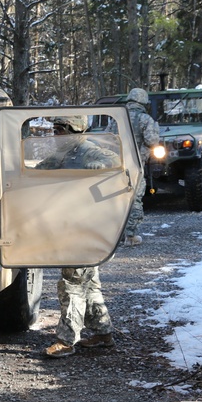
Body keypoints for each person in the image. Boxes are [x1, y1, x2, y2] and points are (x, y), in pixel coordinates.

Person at [37, 117, 118, 358]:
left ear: (74, 130)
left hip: (84, 228)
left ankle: (66, 340)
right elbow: (37, 170)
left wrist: (97, 168)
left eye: (59, 130)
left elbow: (115, 162)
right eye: (54, 130)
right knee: (89, 284)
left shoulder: (87, 151)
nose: (55, 135)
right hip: (71, 225)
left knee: (72, 283)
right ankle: (104, 334)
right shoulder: (61, 154)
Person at [122, 88, 160, 246]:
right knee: (135, 200)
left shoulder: (118, 117)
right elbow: (152, 141)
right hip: (135, 166)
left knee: (118, 200)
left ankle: (114, 235)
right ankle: (130, 236)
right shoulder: (145, 119)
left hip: (117, 165)